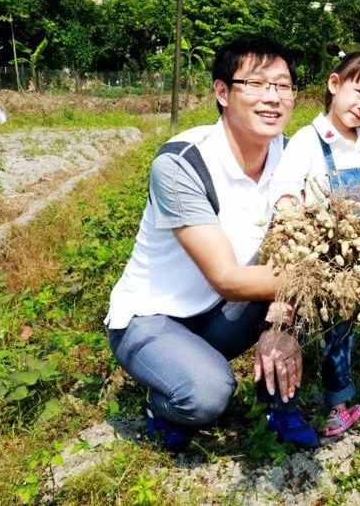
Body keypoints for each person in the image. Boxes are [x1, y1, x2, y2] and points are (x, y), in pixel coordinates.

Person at [104, 34, 318, 452]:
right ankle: (164, 403)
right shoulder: (183, 163)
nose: (272, 98)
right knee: (207, 394)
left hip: (224, 314)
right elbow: (226, 277)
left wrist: (283, 322)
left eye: (283, 85)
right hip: (154, 317)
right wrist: (316, 280)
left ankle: (277, 405)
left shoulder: (295, 158)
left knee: (314, 295)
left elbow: (296, 251)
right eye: (256, 84)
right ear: (222, 92)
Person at [269, 51, 360, 436]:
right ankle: (338, 404)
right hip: (331, 257)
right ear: (334, 85)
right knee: (336, 333)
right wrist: (294, 229)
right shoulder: (307, 139)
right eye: (358, 93)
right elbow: (286, 190)